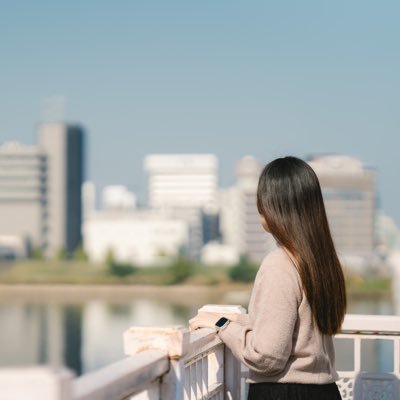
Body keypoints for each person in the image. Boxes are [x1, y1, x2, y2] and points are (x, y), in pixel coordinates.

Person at [189, 156, 346, 400]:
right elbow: (289, 326)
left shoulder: (280, 264)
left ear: (272, 206)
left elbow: (267, 357)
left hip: (284, 391)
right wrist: (232, 321)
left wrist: (222, 327)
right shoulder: (322, 262)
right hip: (325, 391)